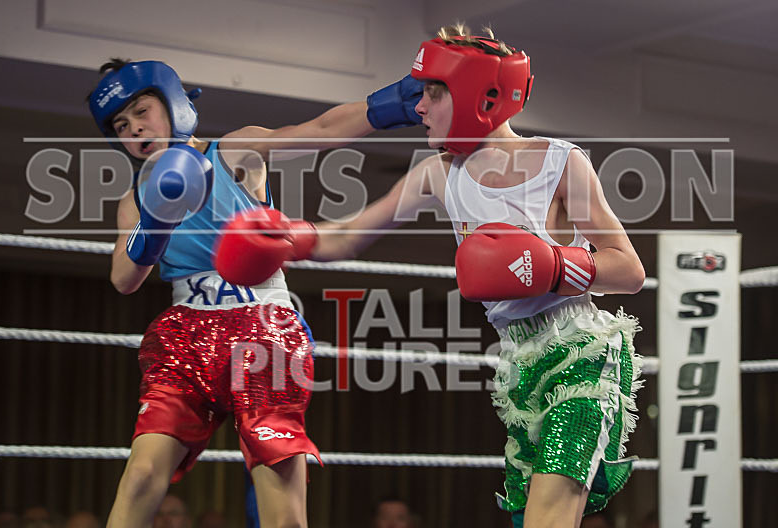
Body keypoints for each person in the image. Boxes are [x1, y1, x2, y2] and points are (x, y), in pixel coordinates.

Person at [215, 24, 645, 528]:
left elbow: (629, 269)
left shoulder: (559, 161)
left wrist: (550, 265)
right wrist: (287, 238)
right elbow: (352, 234)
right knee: (531, 517)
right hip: (517, 361)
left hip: (582, 353)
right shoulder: (438, 173)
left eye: (434, 93)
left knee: (550, 514)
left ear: (480, 96)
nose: (419, 107)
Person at [87, 59, 423, 528]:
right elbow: (124, 278)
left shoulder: (234, 151)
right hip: (184, 332)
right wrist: (156, 220)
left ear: (174, 106)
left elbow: (318, 130)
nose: (134, 128)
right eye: (121, 125)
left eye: (142, 111)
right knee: (141, 475)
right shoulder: (134, 200)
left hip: (262, 328)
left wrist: (384, 108)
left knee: (279, 495)